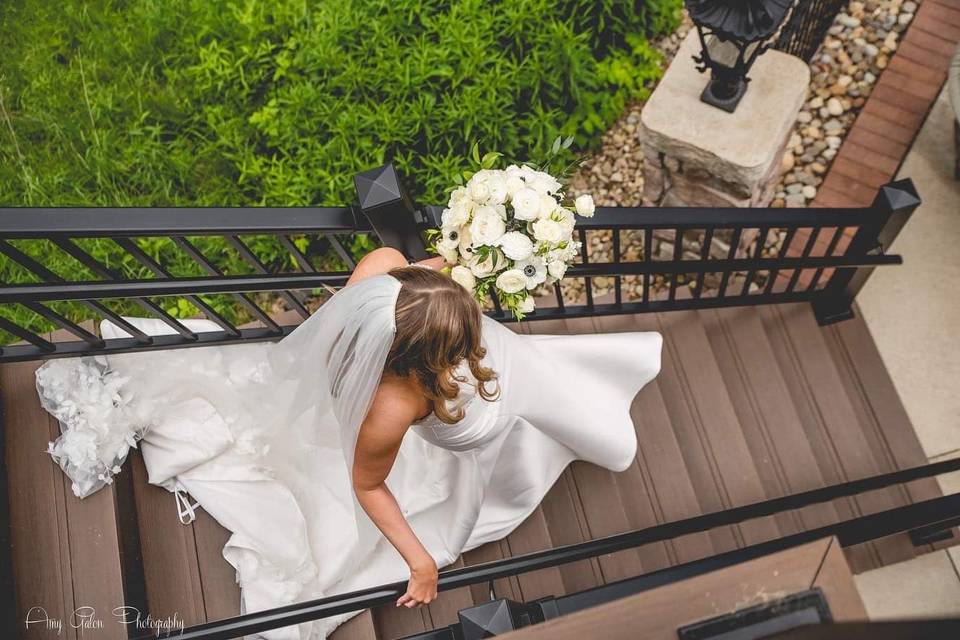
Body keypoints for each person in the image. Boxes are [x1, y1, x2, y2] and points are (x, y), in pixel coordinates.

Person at [37, 247, 663, 639]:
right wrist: (419, 559)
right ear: (426, 363)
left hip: (516, 373)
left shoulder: (387, 273)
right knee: (533, 447)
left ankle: (592, 418)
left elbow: (443, 274)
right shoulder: (390, 411)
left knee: (578, 412)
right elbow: (367, 484)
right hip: (468, 437)